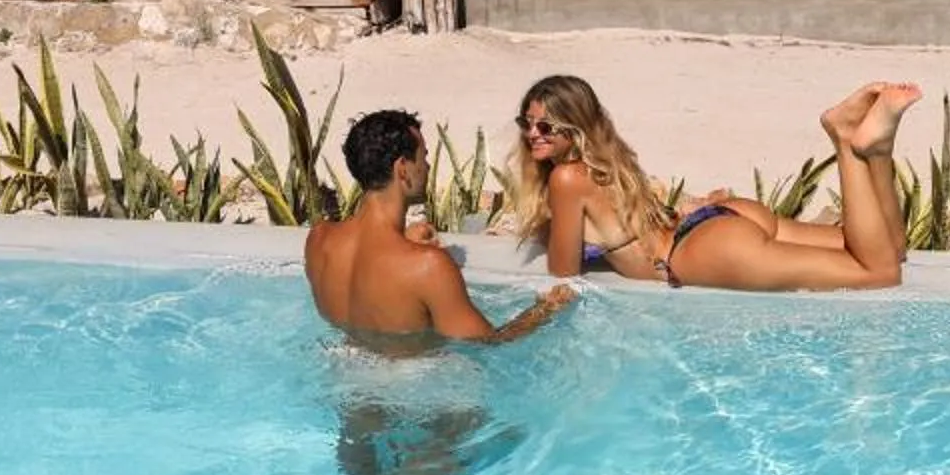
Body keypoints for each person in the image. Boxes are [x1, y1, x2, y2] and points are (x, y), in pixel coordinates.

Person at [512, 73, 918, 291]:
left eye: (546, 126)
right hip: (716, 220)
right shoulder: (608, 162)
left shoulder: (566, 178)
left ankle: (847, 143)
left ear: (574, 129)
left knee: (878, 274)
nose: (533, 134)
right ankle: (878, 152)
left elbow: (563, 271)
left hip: (699, 253)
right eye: (527, 123)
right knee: (890, 249)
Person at [307, 108, 575, 350]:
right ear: (403, 169)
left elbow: (367, 287)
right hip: (417, 394)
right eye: (423, 157)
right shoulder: (427, 265)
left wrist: (404, 240)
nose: (427, 166)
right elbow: (489, 343)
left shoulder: (318, 240)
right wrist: (545, 309)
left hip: (347, 387)